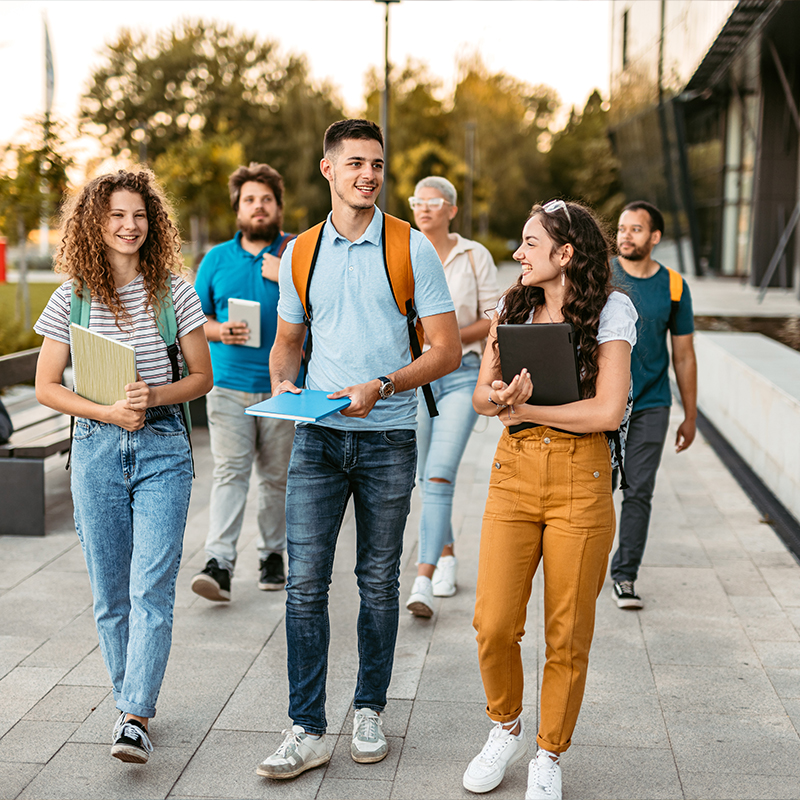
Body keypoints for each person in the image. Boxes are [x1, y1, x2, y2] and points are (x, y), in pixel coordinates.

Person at [257, 119, 461, 780]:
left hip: (388, 440)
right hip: (316, 439)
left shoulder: (409, 247)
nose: (368, 175)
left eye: (376, 164)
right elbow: (288, 340)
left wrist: (383, 385)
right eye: (354, 164)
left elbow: (446, 351)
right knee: (304, 584)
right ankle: (307, 727)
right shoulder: (301, 253)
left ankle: (368, 709)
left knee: (377, 583)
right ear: (328, 170)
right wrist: (283, 383)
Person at [33, 169, 212, 764]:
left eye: (139, 215)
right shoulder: (71, 298)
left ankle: (134, 715)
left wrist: (150, 399)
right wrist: (107, 410)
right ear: (94, 223)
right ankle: (125, 704)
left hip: (162, 447)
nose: (129, 226)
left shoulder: (173, 291)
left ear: (153, 222)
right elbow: (46, 386)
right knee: (110, 595)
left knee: (150, 591)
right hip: (95, 449)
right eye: (116, 216)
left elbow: (201, 378)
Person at [463, 200, 637, 800]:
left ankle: (549, 753)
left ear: (566, 254)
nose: (518, 254)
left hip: (580, 481)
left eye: (530, 244)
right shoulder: (513, 306)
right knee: (492, 622)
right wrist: (501, 395)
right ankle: (504, 726)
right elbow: (482, 399)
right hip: (513, 474)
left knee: (566, 632)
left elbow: (607, 411)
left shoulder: (612, 310)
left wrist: (525, 408)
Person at [191, 163, 296, 602]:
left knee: (275, 479)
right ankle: (219, 563)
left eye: (266, 200)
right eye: (250, 199)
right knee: (231, 472)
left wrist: (285, 274)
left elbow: (323, 309)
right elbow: (192, 321)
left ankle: (273, 555)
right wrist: (219, 331)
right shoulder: (216, 259)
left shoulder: (295, 254)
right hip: (228, 386)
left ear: (277, 208)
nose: (259, 207)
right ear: (238, 207)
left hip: (283, 388)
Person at [404, 176, 499, 617]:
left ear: (451, 210)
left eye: (433, 202)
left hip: (461, 375)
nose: (423, 208)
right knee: (424, 475)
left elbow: (492, 317)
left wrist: (447, 339)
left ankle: (421, 578)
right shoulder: (404, 249)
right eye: (417, 201)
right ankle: (446, 556)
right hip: (417, 377)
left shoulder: (473, 254)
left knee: (440, 473)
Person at [609, 201, 696, 609]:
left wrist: (690, 415)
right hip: (603, 402)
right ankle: (586, 564)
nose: (626, 235)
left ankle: (624, 575)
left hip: (652, 404)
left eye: (636, 229)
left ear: (655, 238)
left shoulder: (675, 287)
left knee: (639, 490)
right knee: (597, 488)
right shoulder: (603, 275)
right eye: (622, 229)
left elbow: (683, 355)